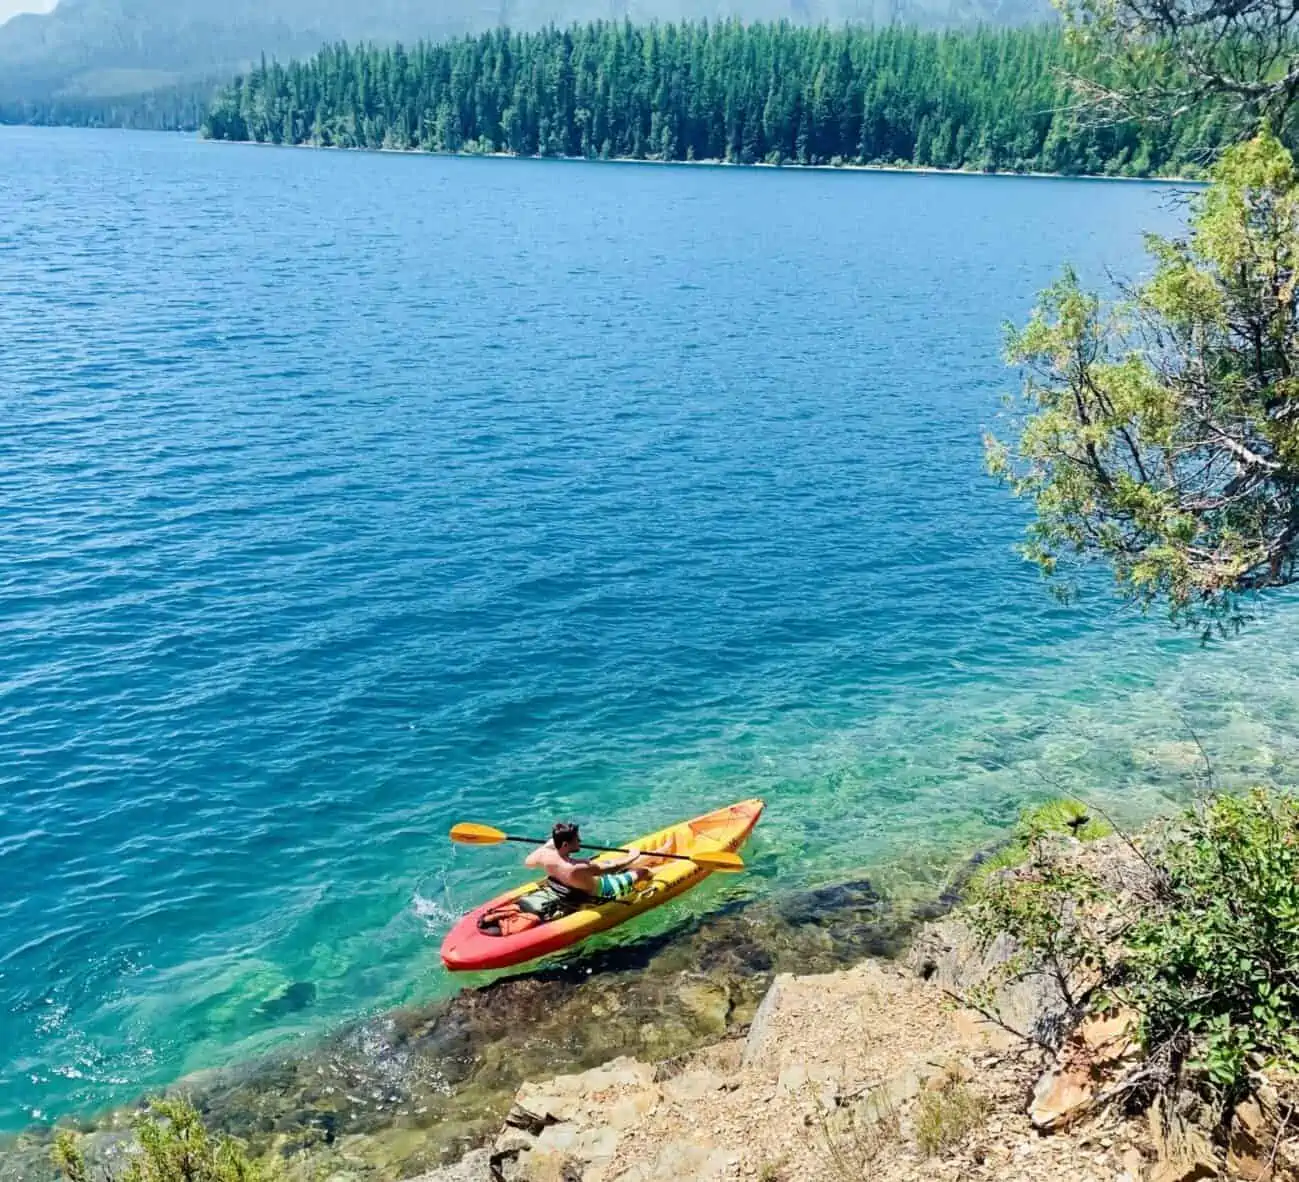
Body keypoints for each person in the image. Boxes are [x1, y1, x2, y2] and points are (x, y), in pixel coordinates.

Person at [525, 821, 665, 904]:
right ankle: (660, 869)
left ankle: (658, 855)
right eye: (577, 839)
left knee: (618, 862)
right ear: (566, 844)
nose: (580, 841)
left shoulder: (544, 855)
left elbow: (528, 863)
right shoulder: (576, 867)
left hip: (580, 882)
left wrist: (548, 845)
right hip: (602, 891)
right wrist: (632, 856)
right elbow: (612, 869)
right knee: (642, 871)